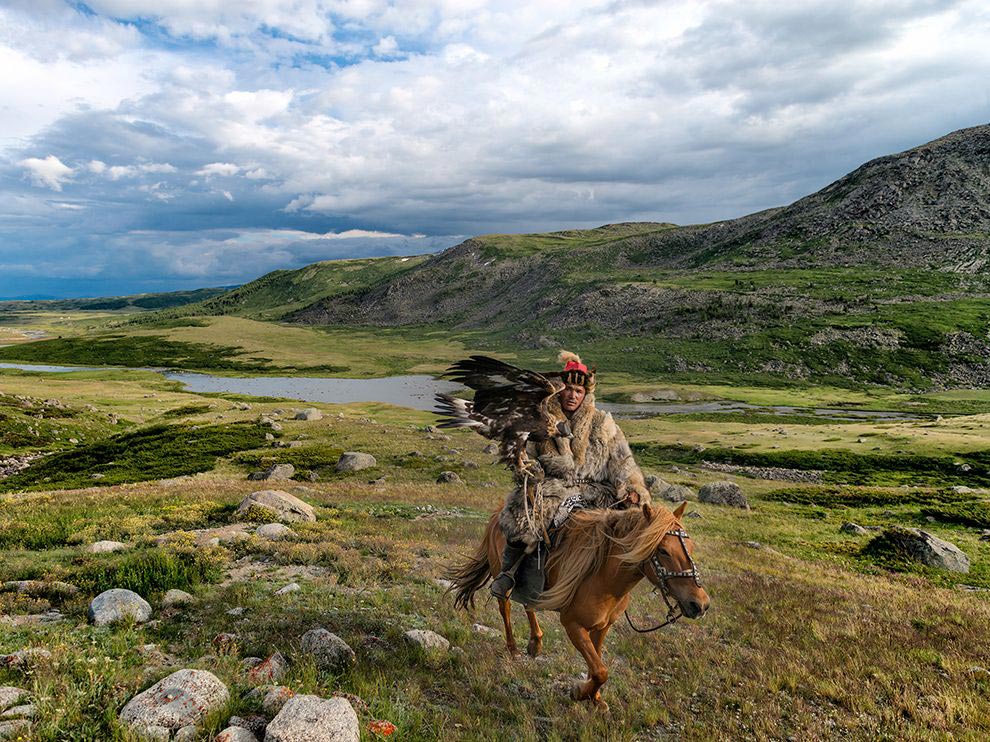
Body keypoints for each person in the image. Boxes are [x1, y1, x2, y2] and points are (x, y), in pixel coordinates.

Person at [490, 350, 651, 600]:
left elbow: (623, 462)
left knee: (629, 526)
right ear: (559, 389)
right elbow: (524, 455)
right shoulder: (541, 418)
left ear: (586, 393)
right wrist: (531, 473)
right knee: (523, 516)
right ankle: (509, 572)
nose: (572, 395)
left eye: (578, 391)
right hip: (553, 487)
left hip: (597, 491)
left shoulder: (604, 424)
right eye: (568, 389)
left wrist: (633, 489)